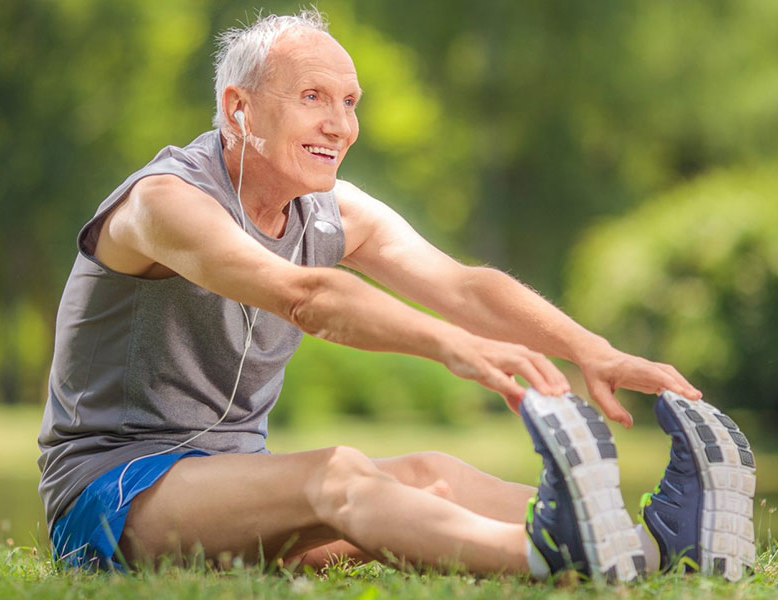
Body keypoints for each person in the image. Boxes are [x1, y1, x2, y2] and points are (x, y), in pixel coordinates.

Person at [37, 10, 757, 582]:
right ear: (240, 109)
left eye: (349, 102)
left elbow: (462, 284)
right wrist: (454, 347)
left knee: (431, 476)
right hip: (114, 494)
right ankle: (556, 553)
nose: (339, 124)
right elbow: (307, 296)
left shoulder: (326, 210)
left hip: (234, 485)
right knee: (336, 474)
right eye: (312, 98)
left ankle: (656, 547)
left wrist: (591, 352)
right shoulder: (165, 203)